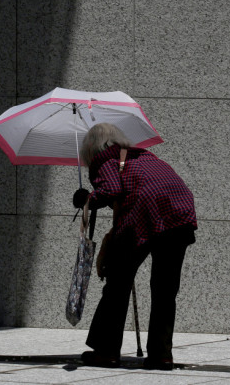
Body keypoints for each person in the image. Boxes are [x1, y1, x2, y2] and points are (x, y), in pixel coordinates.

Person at [72, 123, 197, 370]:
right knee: (165, 289)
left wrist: (87, 199)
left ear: (92, 148)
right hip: (180, 213)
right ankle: (161, 355)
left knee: (117, 282)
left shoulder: (104, 159)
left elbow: (111, 189)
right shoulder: (144, 155)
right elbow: (131, 188)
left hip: (145, 216)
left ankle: (106, 351)